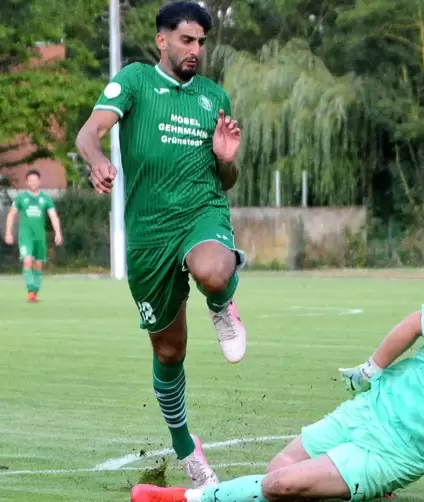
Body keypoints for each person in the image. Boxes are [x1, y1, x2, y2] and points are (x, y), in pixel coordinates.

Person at [130, 287, 424, 502]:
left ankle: (183, 499)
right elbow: (417, 322)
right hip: (367, 410)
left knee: (278, 488)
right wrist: (372, 368)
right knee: (280, 475)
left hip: (400, 455)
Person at [75, 1, 247, 488]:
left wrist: (226, 158)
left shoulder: (215, 97)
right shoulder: (133, 82)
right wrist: (96, 162)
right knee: (170, 353)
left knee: (215, 269)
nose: (196, 50)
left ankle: (222, 305)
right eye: (187, 41)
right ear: (163, 41)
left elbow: (227, 180)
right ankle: (186, 447)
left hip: (201, 213)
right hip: (149, 235)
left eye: (201, 43)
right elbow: (90, 133)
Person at [4, 169, 63, 302]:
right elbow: (12, 214)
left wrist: (58, 232)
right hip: (26, 235)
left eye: (35, 180)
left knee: (38, 264)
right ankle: (30, 290)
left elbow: (53, 215)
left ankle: (34, 292)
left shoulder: (45, 198)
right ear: (27, 182)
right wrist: (8, 232)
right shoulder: (21, 198)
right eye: (30, 180)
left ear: (39, 181)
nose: (33, 182)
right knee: (27, 260)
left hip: (40, 236)